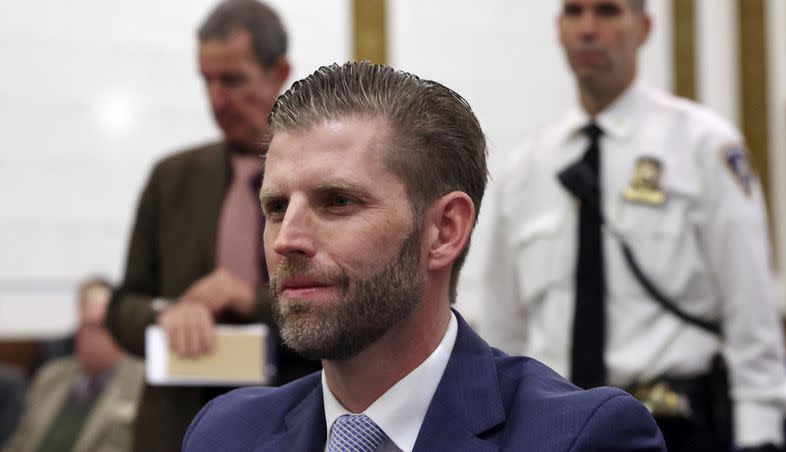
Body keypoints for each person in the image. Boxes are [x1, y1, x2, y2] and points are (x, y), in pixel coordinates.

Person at [181, 61, 666, 452]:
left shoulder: (579, 437)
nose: (287, 239)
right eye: (276, 206)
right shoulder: (225, 434)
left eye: (338, 202)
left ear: (444, 231)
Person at [473, 0, 786, 451]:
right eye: (574, 12)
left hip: (675, 424)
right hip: (555, 429)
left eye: (607, 11)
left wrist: (760, 436)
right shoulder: (527, 171)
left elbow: (751, 310)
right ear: (559, 29)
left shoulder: (703, 145)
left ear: (644, 28)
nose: (588, 29)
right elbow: (502, 329)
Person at [106, 1, 320, 451]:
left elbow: (342, 304)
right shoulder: (172, 178)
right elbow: (123, 306)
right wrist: (167, 316)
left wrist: (247, 300)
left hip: (292, 418)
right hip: (177, 425)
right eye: (207, 80)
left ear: (280, 72)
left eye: (233, 80)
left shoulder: (323, 179)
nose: (217, 99)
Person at [4, 277, 144, 452]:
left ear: (119, 329)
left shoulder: (139, 385)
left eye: (98, 327)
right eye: (84, 325)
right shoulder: (51, 376)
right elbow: (20, 442)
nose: (87, 336)